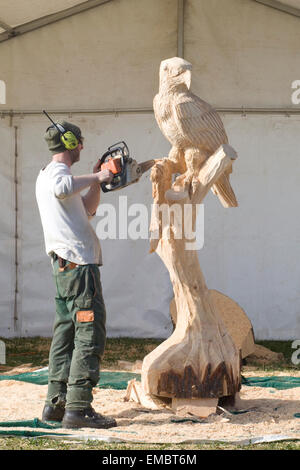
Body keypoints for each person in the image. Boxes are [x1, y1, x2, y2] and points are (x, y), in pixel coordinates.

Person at [35, 120, 116, 429]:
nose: (82, 146)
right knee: (89, 333)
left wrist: (97, 182)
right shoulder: (57, 175)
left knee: (65, 334)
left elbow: (87, 209)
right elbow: (63, 187)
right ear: (68, 142)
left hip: (67, 267)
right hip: (79, 269)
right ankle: (79, 408)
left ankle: (55, 405)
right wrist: (97, 174)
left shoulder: (51, 176)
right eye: (79, 141)